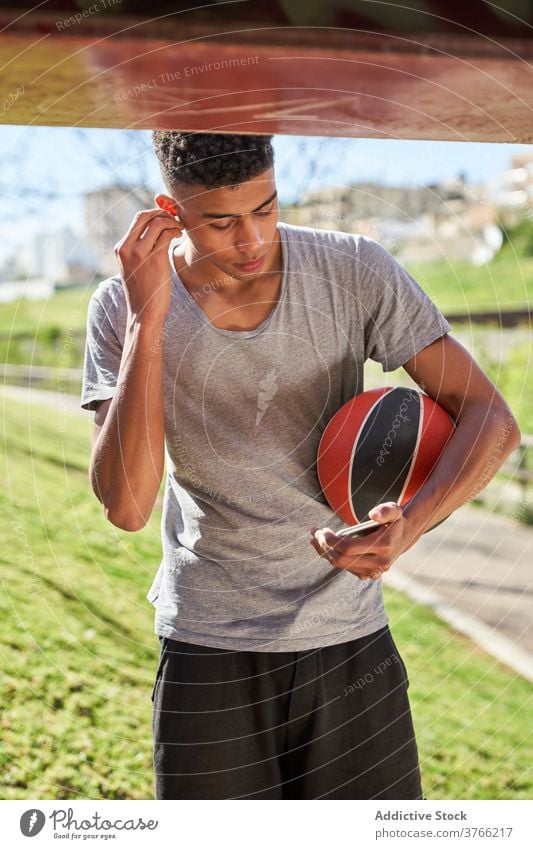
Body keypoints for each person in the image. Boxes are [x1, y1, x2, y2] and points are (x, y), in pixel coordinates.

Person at [80, 131, 520, 800]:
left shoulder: (352, 269)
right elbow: (127, 506)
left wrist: (412, 523)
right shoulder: (120, 307)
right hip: (207, 646)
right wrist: (149, 321)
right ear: (171, 212)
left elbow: (490, 418)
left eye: (265, 208)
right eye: (221, 222)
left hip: (349, 644)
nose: (251, 240)